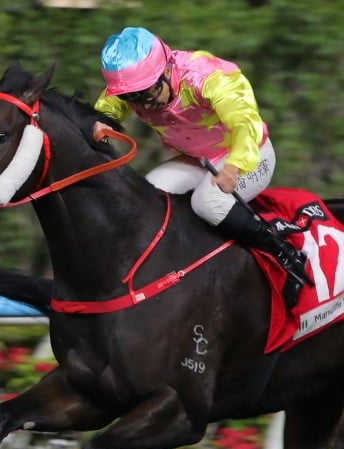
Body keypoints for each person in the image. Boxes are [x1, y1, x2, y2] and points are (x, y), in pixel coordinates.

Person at [93, 26, 311, 300]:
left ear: (165, 70)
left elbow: (246, 123)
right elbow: (108, 107)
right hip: (199, 159)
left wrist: (233, 166)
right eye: (131, 97)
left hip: (249, 153)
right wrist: (99, 121)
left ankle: (284, 255)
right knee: (150, 193)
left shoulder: (207, 76)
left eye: (146, 94)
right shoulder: (139, 87)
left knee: (207, 201)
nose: (143, 106)